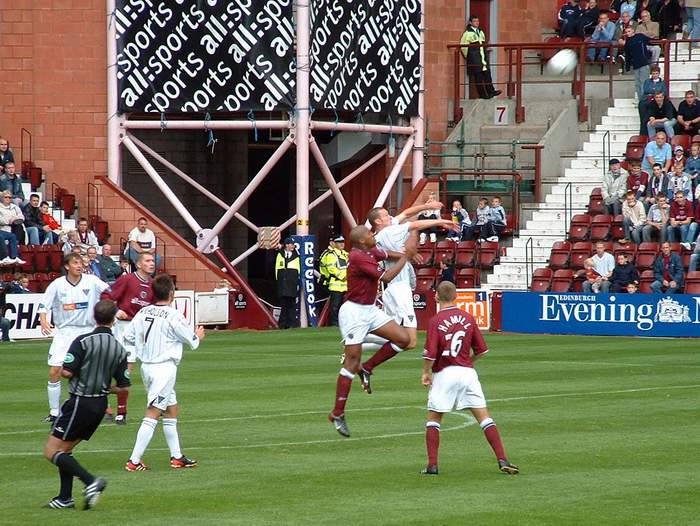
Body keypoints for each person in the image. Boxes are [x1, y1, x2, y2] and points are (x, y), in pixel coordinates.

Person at [420, 281, 519, 476]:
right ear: (456, 296)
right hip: (467, 373)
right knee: (484, 418)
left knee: (434, 419)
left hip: (445, 373)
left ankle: (432, 465)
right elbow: (482, 350)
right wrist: (468, 360)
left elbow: (430, 354)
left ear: (436, 297)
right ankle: (502, 459)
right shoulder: (468, 317)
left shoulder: (435, 321)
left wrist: (426, 372)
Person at [328, 225, 415, 437]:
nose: (372, 234)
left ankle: (367, 367)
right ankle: (337, 413)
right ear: (361, 241)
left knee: (404, 339)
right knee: (350, 362)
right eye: (369, 234)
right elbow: (385, 277)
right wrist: (406, 259)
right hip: (354, 313)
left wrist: (404, 253)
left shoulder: (370, 251)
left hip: (369, 310)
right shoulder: (358, 257)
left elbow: (387, 254)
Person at [357, 208, 457, 394]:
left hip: (392, 290)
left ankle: (361, 343)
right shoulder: (388, 231)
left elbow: (405, 214)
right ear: (378, 221)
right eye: (386, 215)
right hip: (399, 289)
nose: (390, 217)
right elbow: (415, 224)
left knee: (400, 338)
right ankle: (364, 355)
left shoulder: (384, 231)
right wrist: (441, 221)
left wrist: (426, 207)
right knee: (409, 341)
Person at [42, 300, 129, 510]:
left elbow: (67, 372)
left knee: (51, 451)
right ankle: (65, 498)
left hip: (80, 401)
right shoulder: (119, 349)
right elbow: (123, 387)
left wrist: (71, 370)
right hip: (100, 405)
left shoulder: (82, 341)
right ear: (113, 320)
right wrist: (106, 387)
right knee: (66, 449)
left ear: (94, 317)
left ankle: (91, 481)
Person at [124, 274, 204, 471]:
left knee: (171, 409)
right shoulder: (174, 315)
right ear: (171, 293)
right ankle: (134, 461)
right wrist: (199, 335)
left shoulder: (143, 312)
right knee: (153, 411)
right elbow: (191, 341)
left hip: (148, 367)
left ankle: (177, 457)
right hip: (164, 369)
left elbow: (128, 336)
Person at [39, 253, 109, 423]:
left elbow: (110, 291)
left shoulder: (91, 281)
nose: (79, 266)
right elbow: (44, 305)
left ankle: (102, 408)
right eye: (75, 263)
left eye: (81, 263)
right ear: (67, 266)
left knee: (93, 371)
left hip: (87, 331)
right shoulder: (57, 285)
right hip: (64, 333)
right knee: (55, 370)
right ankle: (54, 411)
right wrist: (43, 321)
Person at [101, 252, 155, 424]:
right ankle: (110, 408)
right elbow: (106, 296)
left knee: (132, 372)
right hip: (124, 329)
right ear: (138, 264)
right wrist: (116, 311)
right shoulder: (127, 279)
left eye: (153, 260)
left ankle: (122, 412)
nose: (151, 263)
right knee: (118, 371)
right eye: (147, 260)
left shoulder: (153, 285)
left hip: (141, 332)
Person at [460, 16, 501, 99]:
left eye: (477, 21)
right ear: (470, 23)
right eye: (475, 21)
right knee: (478, 77)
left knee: (487, 75)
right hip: (475, 59)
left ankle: (491, 91)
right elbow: (463, 46)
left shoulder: (481, 32)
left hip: (483, 58)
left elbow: (483, 44)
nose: (477, 23)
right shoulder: (467, 34)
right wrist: (469, 56)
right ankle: (482, 94)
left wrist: (486, 49)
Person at [318, 235, 348, 327]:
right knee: (335, 307)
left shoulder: (345, 254)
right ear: (332, 243)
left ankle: (341, 324)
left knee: (343, 307)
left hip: (345, 285)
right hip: (335, 284)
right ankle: (334, 325)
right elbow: (331, 268)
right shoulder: (330, 254)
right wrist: (343, 276)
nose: (342, 244)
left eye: (343, 241)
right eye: (339, 242)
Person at [275, 238, 300, 329]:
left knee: (291, 305)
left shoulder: (296, 256)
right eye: (291, 244)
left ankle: (292, 324)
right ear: (286, 245)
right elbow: (277, 270)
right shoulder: (280, 255)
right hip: (283, 283)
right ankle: (283, 324)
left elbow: (298, 271)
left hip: (292, 283)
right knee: (284, 305)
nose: (293, 246)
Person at [622, 26, 650, 102]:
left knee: (643, 83)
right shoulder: (627, 42)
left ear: (633, 31)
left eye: (629, 31)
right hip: (635, 65)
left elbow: (649, 40)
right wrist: (627, 67)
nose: (628, 33)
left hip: (644, 62)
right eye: (626, 32)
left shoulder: (640, 36)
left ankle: (644, 100)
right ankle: (641, 100)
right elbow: (627, 56)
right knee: (637, 84)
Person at [0, 191, 26, 265]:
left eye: (9, 197)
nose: (8, 198)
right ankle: (4, 257)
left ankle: (15, 257)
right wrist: (10, 220)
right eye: (6, 197)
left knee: (18, 229)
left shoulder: (15, 207)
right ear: (2, 198)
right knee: (2, 236)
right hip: (3, 227)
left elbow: (21, 216)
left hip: (15, 226)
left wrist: (14, 219)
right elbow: (1, 219)